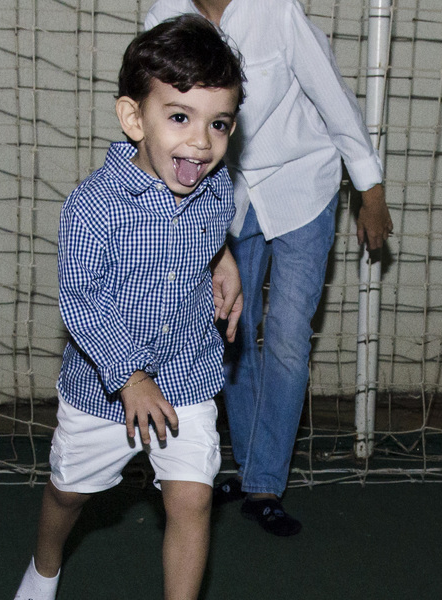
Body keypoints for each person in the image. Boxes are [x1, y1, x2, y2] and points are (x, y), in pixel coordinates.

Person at [12, 15, 245, 600]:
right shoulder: (94, 206)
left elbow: (210, 232)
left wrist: (224, 258)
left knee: (192, 496)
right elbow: (81, 301)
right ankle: (45, 562)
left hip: (188, 374)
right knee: (69, 493)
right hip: (103, 391)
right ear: (133, 118)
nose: (200, 141)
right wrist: (129, 376)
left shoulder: (214, 187)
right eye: (180, 117)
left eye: (219, 124)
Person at [145, 0, 394, 537]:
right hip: (221, 191)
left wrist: (369, 189)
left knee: (286, 335)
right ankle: (251, 464)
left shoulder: (276, 10)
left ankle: (265, 484)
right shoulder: (163, 15)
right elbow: (150, 114)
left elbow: (333, 97)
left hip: (304, 183)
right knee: (231, 327)